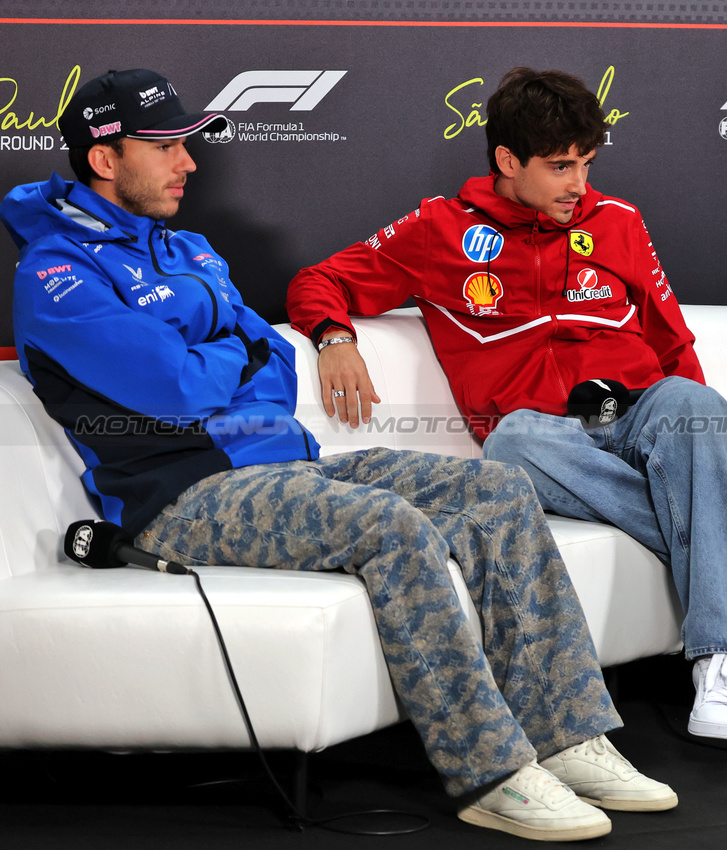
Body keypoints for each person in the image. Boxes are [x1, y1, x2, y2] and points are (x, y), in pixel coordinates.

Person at [1, 68, 677, 842]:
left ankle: (565, 735)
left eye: (187, 145)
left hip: (285, 467)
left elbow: (276, 359)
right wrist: (227, 358)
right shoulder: (57, 273)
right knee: (388, 525)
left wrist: (224, 357)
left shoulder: (186, 246)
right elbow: (176, 390)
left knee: (495, 490)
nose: (189, 164)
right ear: (104, 159)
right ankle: (491, 771)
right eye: (165, 147)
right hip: (180, 498)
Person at [287, 67, 727, 741]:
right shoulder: (438, 230)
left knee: (693, 402)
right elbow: (320, 278)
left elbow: (670, 341)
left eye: (587, 164)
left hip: (633, 411)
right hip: (545, 436)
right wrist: (334, 336)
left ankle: (721, 663)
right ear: (508, 161)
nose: (578, 185)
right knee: (509, 444)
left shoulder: (618, 221)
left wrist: (714, 454)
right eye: (561, 166)